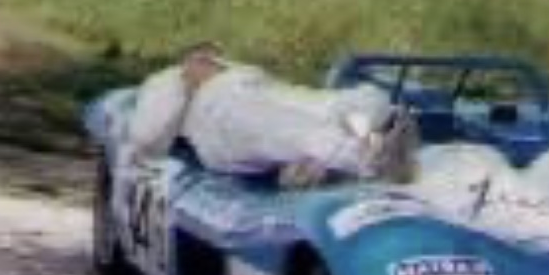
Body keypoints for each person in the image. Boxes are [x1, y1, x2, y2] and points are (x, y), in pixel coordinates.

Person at [124, 44, 420, 187]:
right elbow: (147, 135)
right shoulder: (168, 81)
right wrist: (185, 87)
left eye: (212, 55)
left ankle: (374, 133)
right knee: (282, 129)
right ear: (188, 58)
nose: (208, 59)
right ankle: (366, 159)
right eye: (201, 56)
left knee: (337, 104)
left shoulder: (237, 71)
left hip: (260, 93)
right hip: (217, 119)